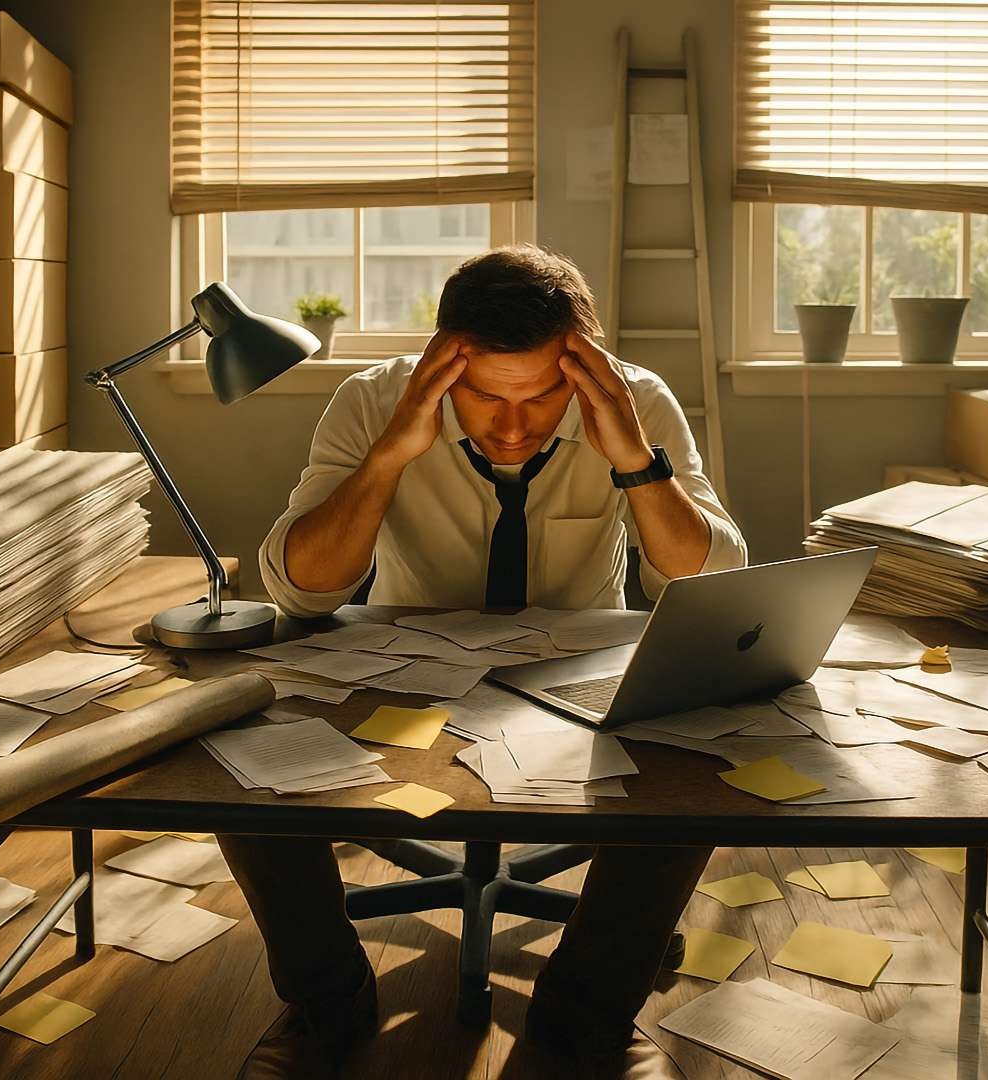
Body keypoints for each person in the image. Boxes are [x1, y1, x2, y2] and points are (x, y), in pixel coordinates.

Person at [223, 244, 748, 1079]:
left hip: (571, 677)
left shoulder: (634, 399)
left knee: (700, 762)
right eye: (482, 396)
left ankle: (589, 1017)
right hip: (403, 672)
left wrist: (633, 460)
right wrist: (394, 450)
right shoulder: (373, 399)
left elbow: (707, 582)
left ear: (585, 368)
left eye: (542, 397)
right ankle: (326, 1001)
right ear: (441, 363)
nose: (511, 427)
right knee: (236, 761)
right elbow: (302, 592)